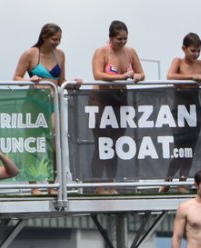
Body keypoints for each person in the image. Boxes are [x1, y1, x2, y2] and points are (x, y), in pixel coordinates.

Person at [12, 22, 81, 196]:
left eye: (59, 40)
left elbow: (61, 81)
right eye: (54, 39)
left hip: (52, 101)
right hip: (33, 102)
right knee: (33, 143)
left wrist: (74, 84)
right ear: (44, 37)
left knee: (55, 142)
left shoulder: (60, 54)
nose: (57, 43)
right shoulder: (30, 53)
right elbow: (16, 77)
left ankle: (52, 183)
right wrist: (30, 80)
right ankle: (33, 186)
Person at [159, 32, 201, 194]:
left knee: (190, 149)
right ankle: (167, 179)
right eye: (192, 51)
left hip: (195, 111)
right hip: (179, 111)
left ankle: (182, 181)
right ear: (184, 48)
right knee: (180, 148)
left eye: (198, 51)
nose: (195, 54)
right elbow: (170, 76)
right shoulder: (178, 61)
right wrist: (191, 77)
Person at [90, 20, 145, 194]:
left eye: (125, 39)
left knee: (115, 145)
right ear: (110, 38)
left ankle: (112, 184)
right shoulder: (102, 52)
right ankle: (98, 185)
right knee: (102, 144)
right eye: (119, 39)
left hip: (120, 99)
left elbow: (141, 73)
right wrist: (120, 76)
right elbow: (98, 74)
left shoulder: (130, 52)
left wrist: (136, 76)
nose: (122, 42)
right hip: (101, 99)